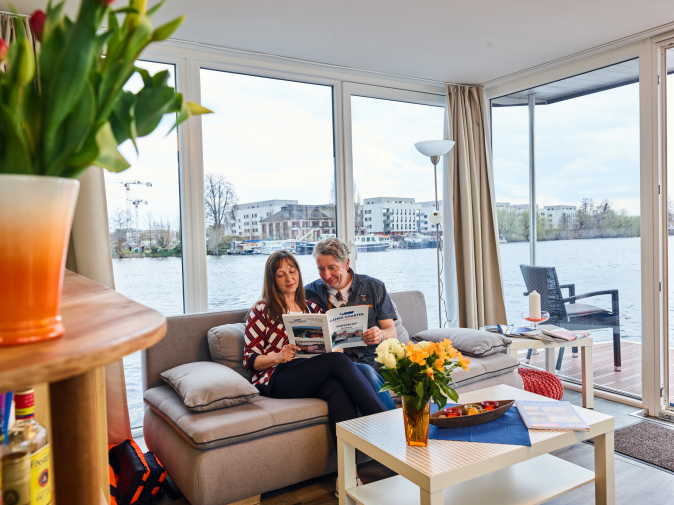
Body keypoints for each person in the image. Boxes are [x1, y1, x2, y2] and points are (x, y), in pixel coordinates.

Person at [243, 250, 384, 442]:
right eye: (281, 274)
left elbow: (330, 346)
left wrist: (335, 346)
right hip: (276, 377)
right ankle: (384, 425)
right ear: (272, 280)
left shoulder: (312, 308)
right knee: (338, 362)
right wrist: (278, 356)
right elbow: (251, 360)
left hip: (310, 371)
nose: (289, 278)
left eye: (292, 272)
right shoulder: (261, 310)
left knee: (336, 389)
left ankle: (349, 468)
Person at [305, 238, 398, 410]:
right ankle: (392, 423)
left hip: (371, 361)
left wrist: (379, 334)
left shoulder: (373, 287)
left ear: (346, 263)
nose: (326, 275)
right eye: (321, 269)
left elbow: (391, 331)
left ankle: (389, 423)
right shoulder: (309, 292)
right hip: (332, 365)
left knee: (364, 371)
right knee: (353, 375)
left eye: (332, 268)